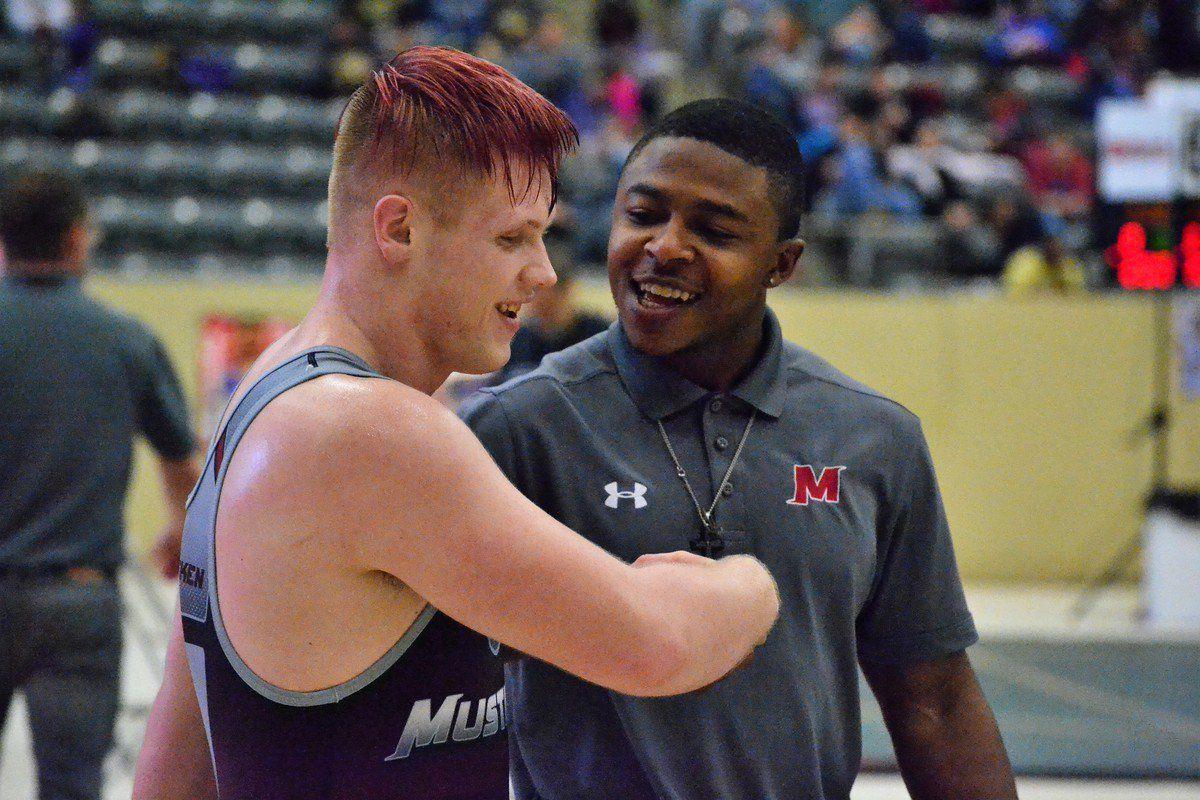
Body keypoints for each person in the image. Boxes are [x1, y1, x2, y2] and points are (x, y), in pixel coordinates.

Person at [131, 48, 780, 800]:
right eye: (513, 238)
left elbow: (173, 768)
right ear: (399, 229)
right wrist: (752, 582)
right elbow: (658, 648)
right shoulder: (370, 433)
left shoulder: (268, 397)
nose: (542, 273)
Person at [460, 98, 1018, 800]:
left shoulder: (876, 440)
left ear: (782, 264)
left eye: (715, 231)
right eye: (642, 214)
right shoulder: (518, 429)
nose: (665, 246)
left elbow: (936, 702)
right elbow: (438, 693)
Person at [0, 170, 200, 800]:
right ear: (77, 239)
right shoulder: (124, 340)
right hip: (79, 600)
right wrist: (179, 529)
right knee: (72, 787)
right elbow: (182, 463)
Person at [489, 228, 609, 384]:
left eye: (538, 289)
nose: (530, 296)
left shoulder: (596, 335)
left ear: (564, 289)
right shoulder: (520, 339)